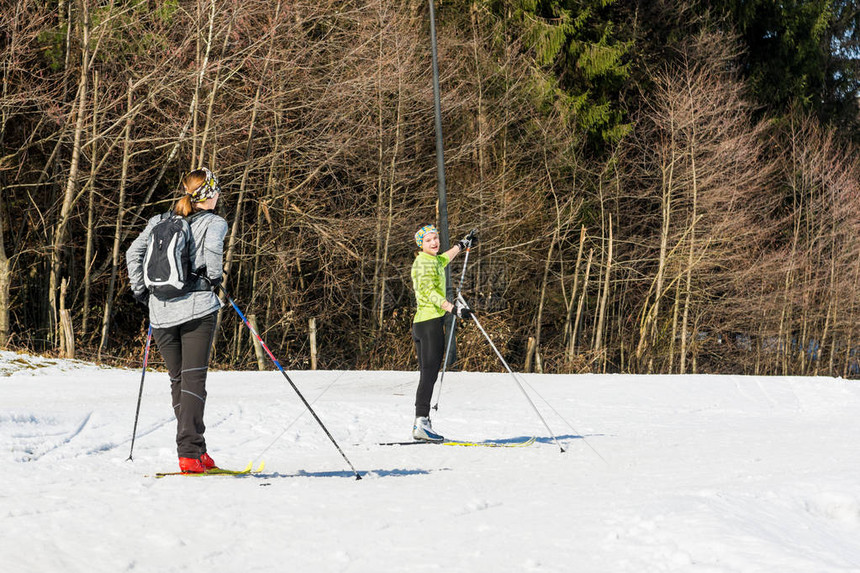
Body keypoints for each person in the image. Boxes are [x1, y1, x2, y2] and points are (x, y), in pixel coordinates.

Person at [126, 167, 229, 473]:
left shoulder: (159, 221)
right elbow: (212, 256)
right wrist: (213, 278)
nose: (219, 194)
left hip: (160, 312)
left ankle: (197, 450)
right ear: (208, 195)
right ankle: (189, 453)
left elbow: (134, 252)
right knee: (194, 379)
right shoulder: (215, 222)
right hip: (197, 310)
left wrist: (141, 293)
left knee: (178, 380)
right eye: (217, 189)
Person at [410, 224, 477, 441]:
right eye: (429, 240)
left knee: (427, 375)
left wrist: (461, 245)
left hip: (423, 323)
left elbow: (445, 258)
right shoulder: (422, 264)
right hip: (429, 324)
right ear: (421, 244)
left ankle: (421, 422)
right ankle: (421, 423)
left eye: (436, 238)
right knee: (429, 375)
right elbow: (429, 292)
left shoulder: (433, 260)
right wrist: (454, 309)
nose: (434, 242)